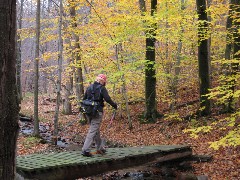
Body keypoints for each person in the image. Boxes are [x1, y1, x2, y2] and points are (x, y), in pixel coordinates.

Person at [81, 74, 117, 157]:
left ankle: (99, 148)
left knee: (95, 129)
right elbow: (107, 99)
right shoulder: (102, 88)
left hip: (89, 112)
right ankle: (85, 150)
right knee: (93, 130)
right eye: (105, 81)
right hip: (97, 112)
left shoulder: (89, 87)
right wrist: (114, 105)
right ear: (103, 81)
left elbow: (84, 99)